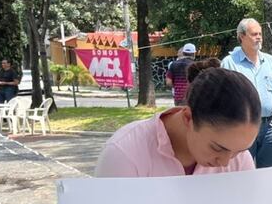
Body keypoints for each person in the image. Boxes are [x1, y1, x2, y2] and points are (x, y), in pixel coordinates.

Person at [95, 59, 259, 178]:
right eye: (217, 148)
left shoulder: (239, 161)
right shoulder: (125, 154)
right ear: (188, 118)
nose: (225, 162)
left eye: (239, 151)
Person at [221, 18, 272, 168]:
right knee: (242, 173)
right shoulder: (229, 63)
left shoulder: (270, 62)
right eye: (254, 34)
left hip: (268, 128)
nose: (259, 37)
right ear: (241, 37)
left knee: (268, 174)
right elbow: (222, 100)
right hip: (242, 126)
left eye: (260, 33)